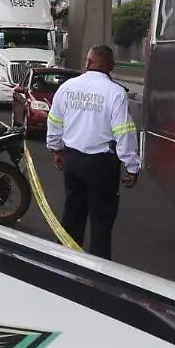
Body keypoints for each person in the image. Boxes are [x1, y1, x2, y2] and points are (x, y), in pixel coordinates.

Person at [46, 45, 140, 259]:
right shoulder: (115, 93)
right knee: (101, 223)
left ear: (87, 63)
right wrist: (132, 167)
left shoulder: (67, 87)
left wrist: (57, 150)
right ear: (111, 67)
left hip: (73, 160)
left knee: (72, 215)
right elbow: (124, 133)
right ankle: (98, 271)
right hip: (102, 167)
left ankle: (65, 262)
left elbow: (54, 122)